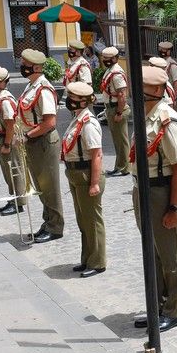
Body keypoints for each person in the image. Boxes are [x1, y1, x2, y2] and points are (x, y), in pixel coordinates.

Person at [132, 66, 177, 333]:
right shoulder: (148, 116)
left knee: (170, 255)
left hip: (162, 192)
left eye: (140, 88)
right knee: (151, 251)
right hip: (143, 188)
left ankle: (174, 310)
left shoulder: (167, 119)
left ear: (155, 90)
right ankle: (158, 306)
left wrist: (174, 207)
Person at [16, 48, 64, 243]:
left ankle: (55, 227)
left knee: (49, 186)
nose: (22, 67)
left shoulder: (43, 89)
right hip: (34, 142)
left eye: (25, 65)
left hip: (43, 142)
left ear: (36, 67)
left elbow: (49, 122)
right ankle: (47, 222)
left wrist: (27, 135)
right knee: (40, 185)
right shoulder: (32, 86)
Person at [61, 81, 106, 277]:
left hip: (86, 174)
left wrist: (94, 183)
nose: (68, 100)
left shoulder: (88, 123)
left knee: (92, 221)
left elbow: (96, 154)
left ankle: (97, 262)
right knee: (83, 220)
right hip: (75, 173)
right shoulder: (78, 119)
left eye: (73, 98)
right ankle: (87, 258)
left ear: (82, 102)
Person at [0, 66, 26, 217]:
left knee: (14, 170)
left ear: (4, 82)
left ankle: (19, 202)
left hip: (7, 139)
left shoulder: (5, 100)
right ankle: (13, 198)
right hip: (2, 138)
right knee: (8, 172)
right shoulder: (0, 96)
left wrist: (7, 144)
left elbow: (10, 123)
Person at [99, 46, 132, 177]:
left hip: (116, 108)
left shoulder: (116, 73)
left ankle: (125, 167)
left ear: (115, 58)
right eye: (104, 58)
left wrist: (119, 112)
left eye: (108, 58)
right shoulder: (110, 70)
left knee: (121, 140)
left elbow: (122, 95)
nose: (105, 60)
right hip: (111, 107)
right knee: (117, 140)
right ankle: (120, 165)